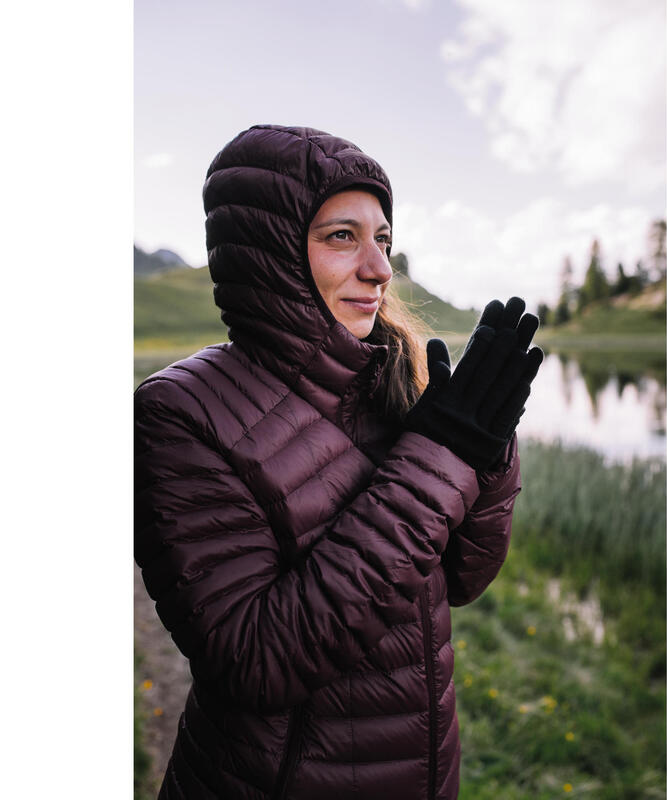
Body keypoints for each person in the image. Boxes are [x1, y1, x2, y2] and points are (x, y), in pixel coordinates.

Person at [134, 124, 543, 800]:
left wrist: (485, 451)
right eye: (341, 236)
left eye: (383, 239)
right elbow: (256, 659)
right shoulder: (182, 412)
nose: (381, 268)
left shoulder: (395, 378)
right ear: (269, 254)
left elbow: (463, 577)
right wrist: (440, 460)